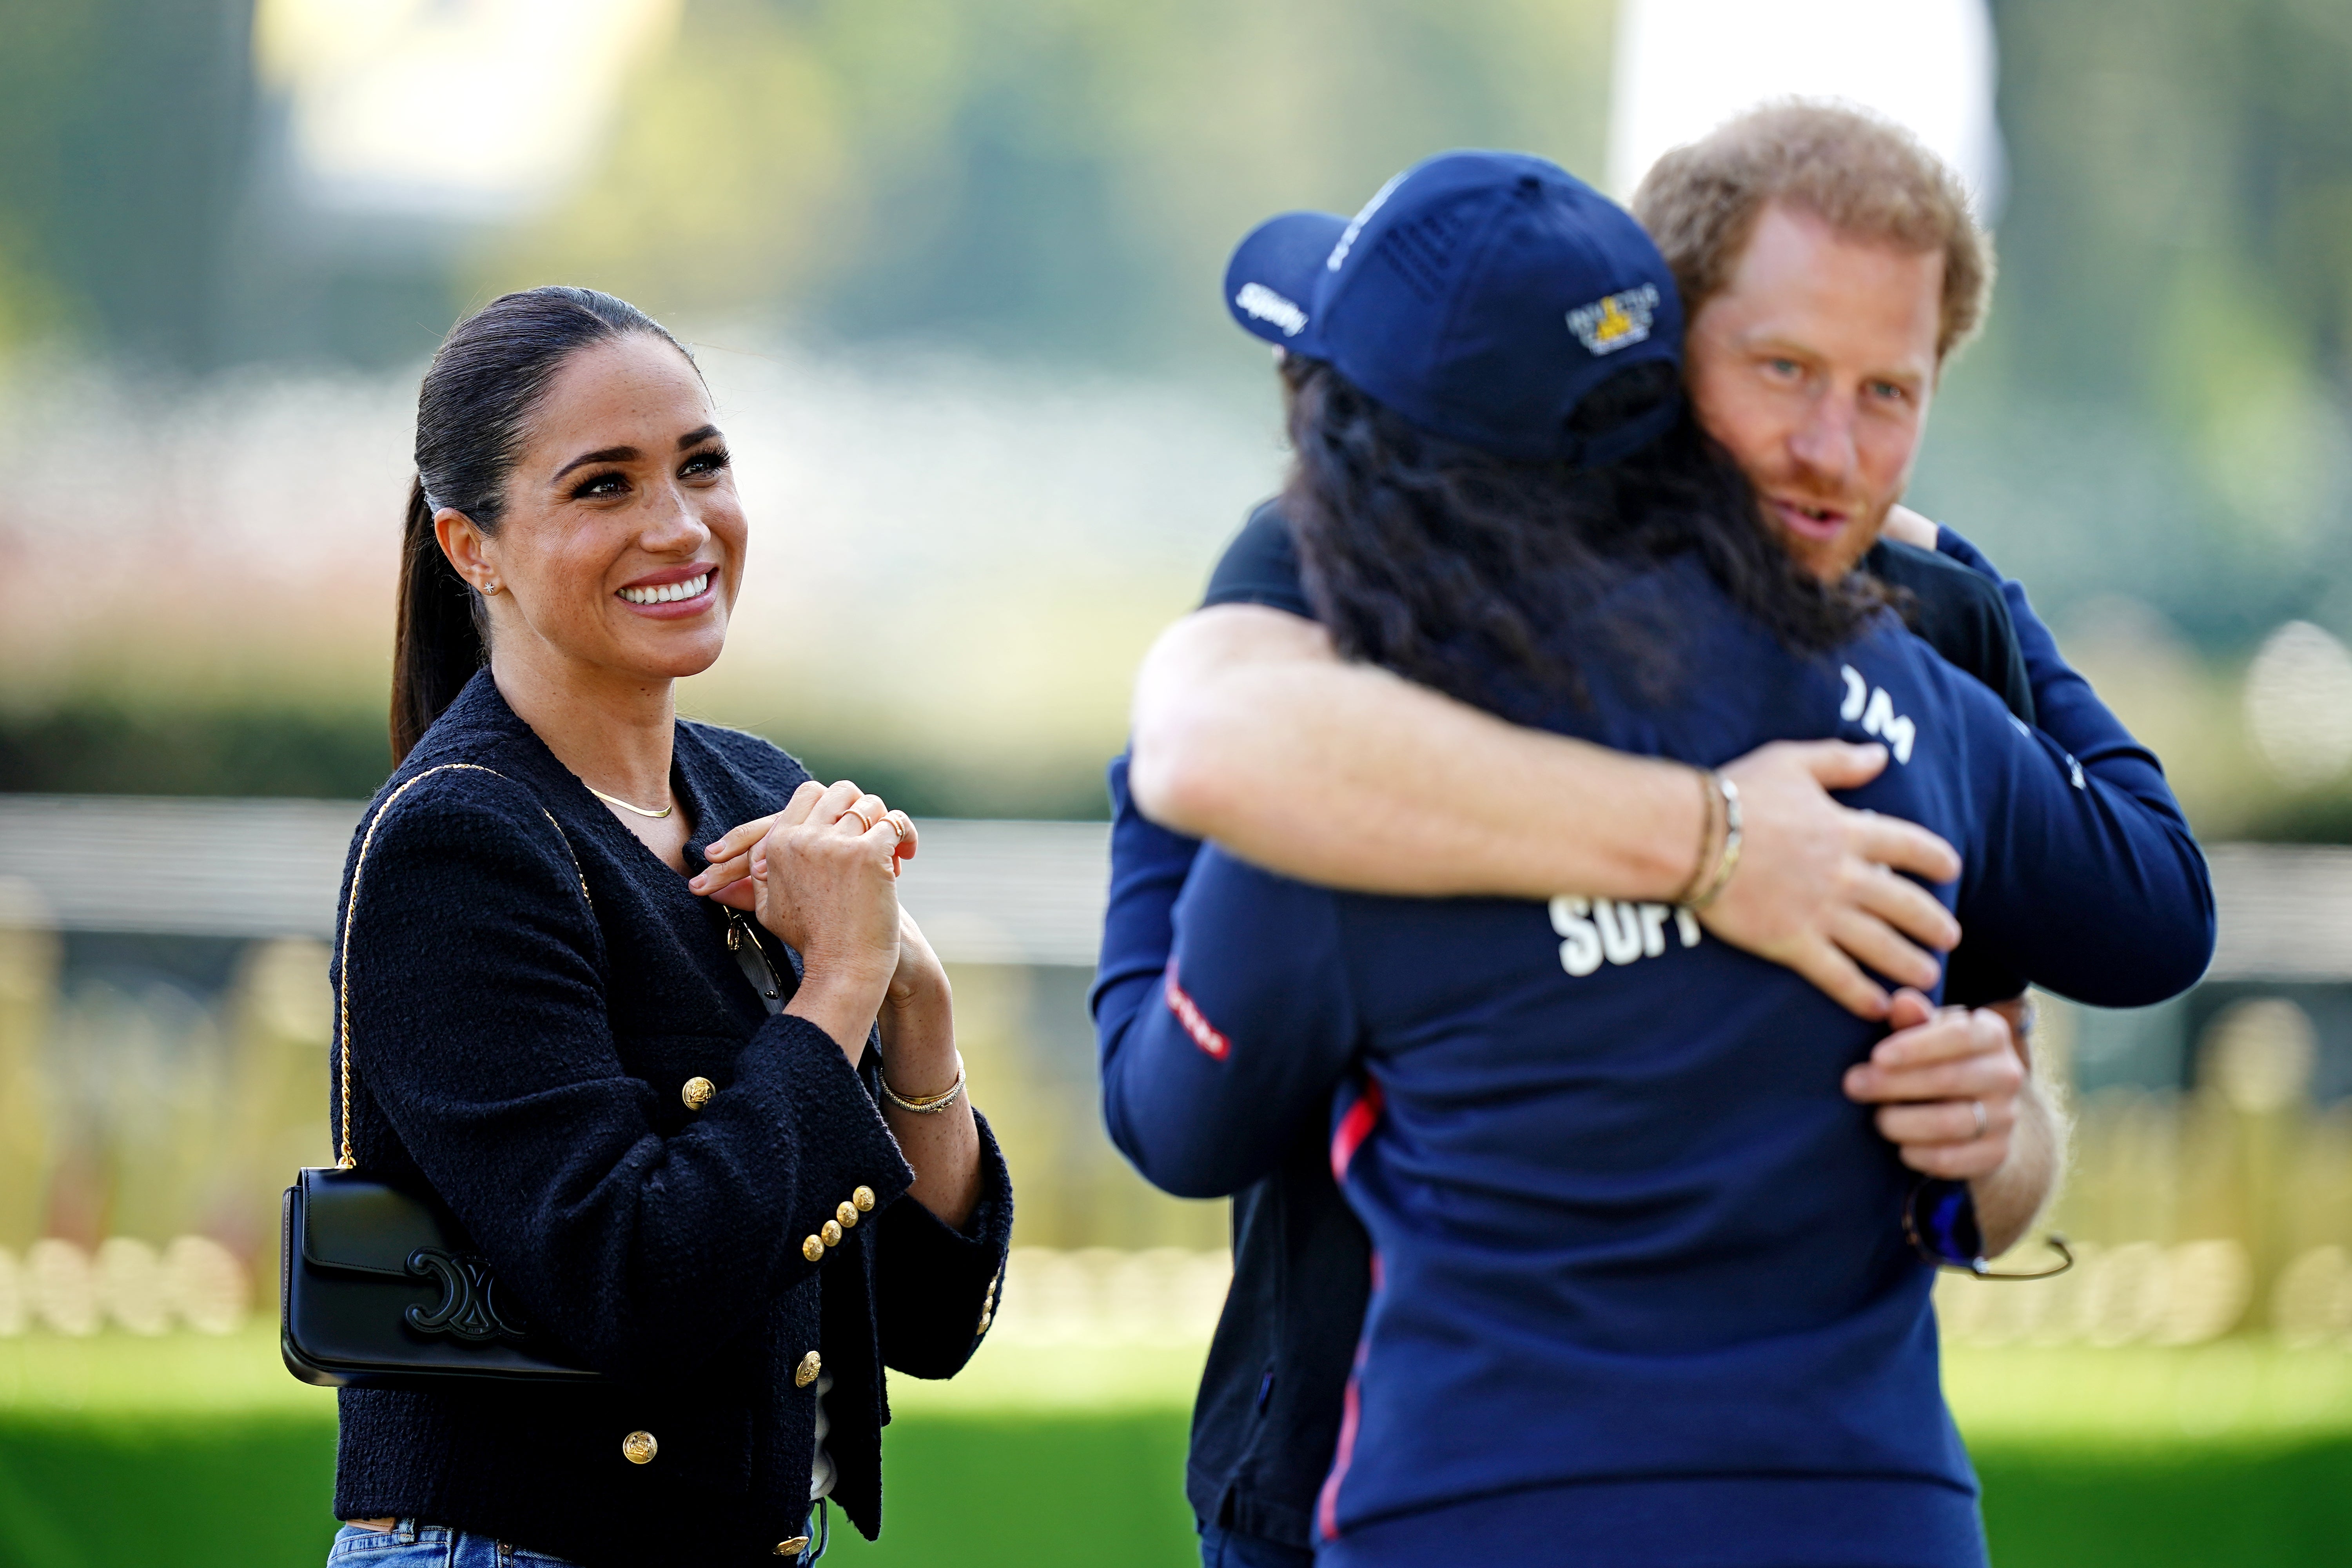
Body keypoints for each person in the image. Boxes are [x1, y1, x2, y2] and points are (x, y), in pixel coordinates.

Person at [1097, 105, 2194, 1568]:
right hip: (1754, 1502)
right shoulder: (1332, 618)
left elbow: (1175, 1111)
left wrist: (2009, 1136)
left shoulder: (1905, 628)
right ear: (1658, 368)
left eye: (1892, 391)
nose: (1834, 449)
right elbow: (1206, 741)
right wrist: (1714, 843)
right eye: (1786, 369)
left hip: (1465, 1502)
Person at [325, 287, 1012, 1568]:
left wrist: (912, 1002)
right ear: (472, 545)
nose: (680, 526)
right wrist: (840, 982)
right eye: (604, 486)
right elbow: (632, 1283)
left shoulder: (759, 793)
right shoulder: (460, 842)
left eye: (702, 464)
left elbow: (926, 1322)